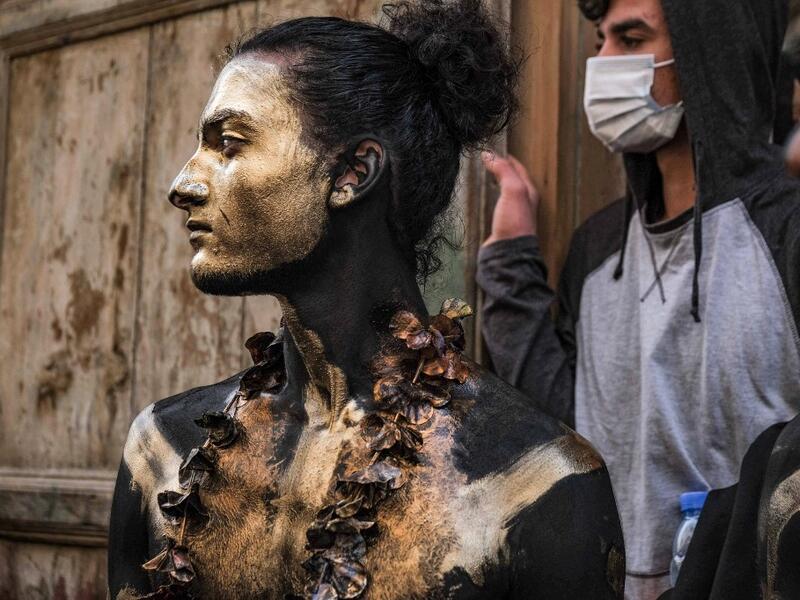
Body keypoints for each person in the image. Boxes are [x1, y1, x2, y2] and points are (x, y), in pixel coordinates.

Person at [107, 2, 625, 599]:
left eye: (229, 142)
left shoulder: (530, 483)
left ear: (352, 174)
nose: (183, 184)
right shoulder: (162, 454)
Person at [476, 0, 800, 597]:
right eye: (600, 41)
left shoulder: (787, 234)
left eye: (630, 38)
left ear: (711, 56)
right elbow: (563, 430)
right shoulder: (598, 248)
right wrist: (509, 259)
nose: (602, 63)